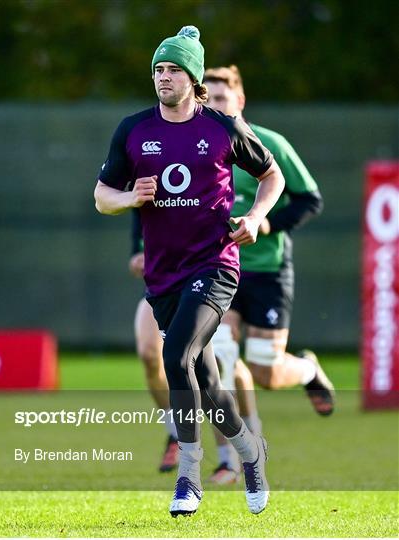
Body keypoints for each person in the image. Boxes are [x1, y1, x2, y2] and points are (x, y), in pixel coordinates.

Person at [94, 26, 285, 516]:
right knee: (207, 382)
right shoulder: (133, 130)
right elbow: (101, 196)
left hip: (214, 264)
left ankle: (188, 476)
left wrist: (256, 218)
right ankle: (250, 453)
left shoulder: (223, 127)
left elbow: (272, 176)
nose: (163, 77)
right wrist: (129, 198)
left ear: (193, 79)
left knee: (175, 355)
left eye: (173, 69)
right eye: (158, 69)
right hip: (163, 275)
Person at [203, 65, 335, 479]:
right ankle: (233, 456)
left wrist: (264, 223)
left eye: (224, 99)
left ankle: (309, 369)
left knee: (265, 369)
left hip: (267, 271)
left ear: (240, 103)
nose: (216, 107)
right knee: (217, 357)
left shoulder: (268, 143)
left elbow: (309, 200)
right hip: (220, 269)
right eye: (210, 100)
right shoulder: (197, 145)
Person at [129, 223, 178, 473]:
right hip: (161, 288)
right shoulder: (143, 189)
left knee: (216, 365)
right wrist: (136, 259)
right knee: (150, 354)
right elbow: (138, 246)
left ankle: (231, 455)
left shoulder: (207, 185)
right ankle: (176, 434)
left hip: (207, 284)